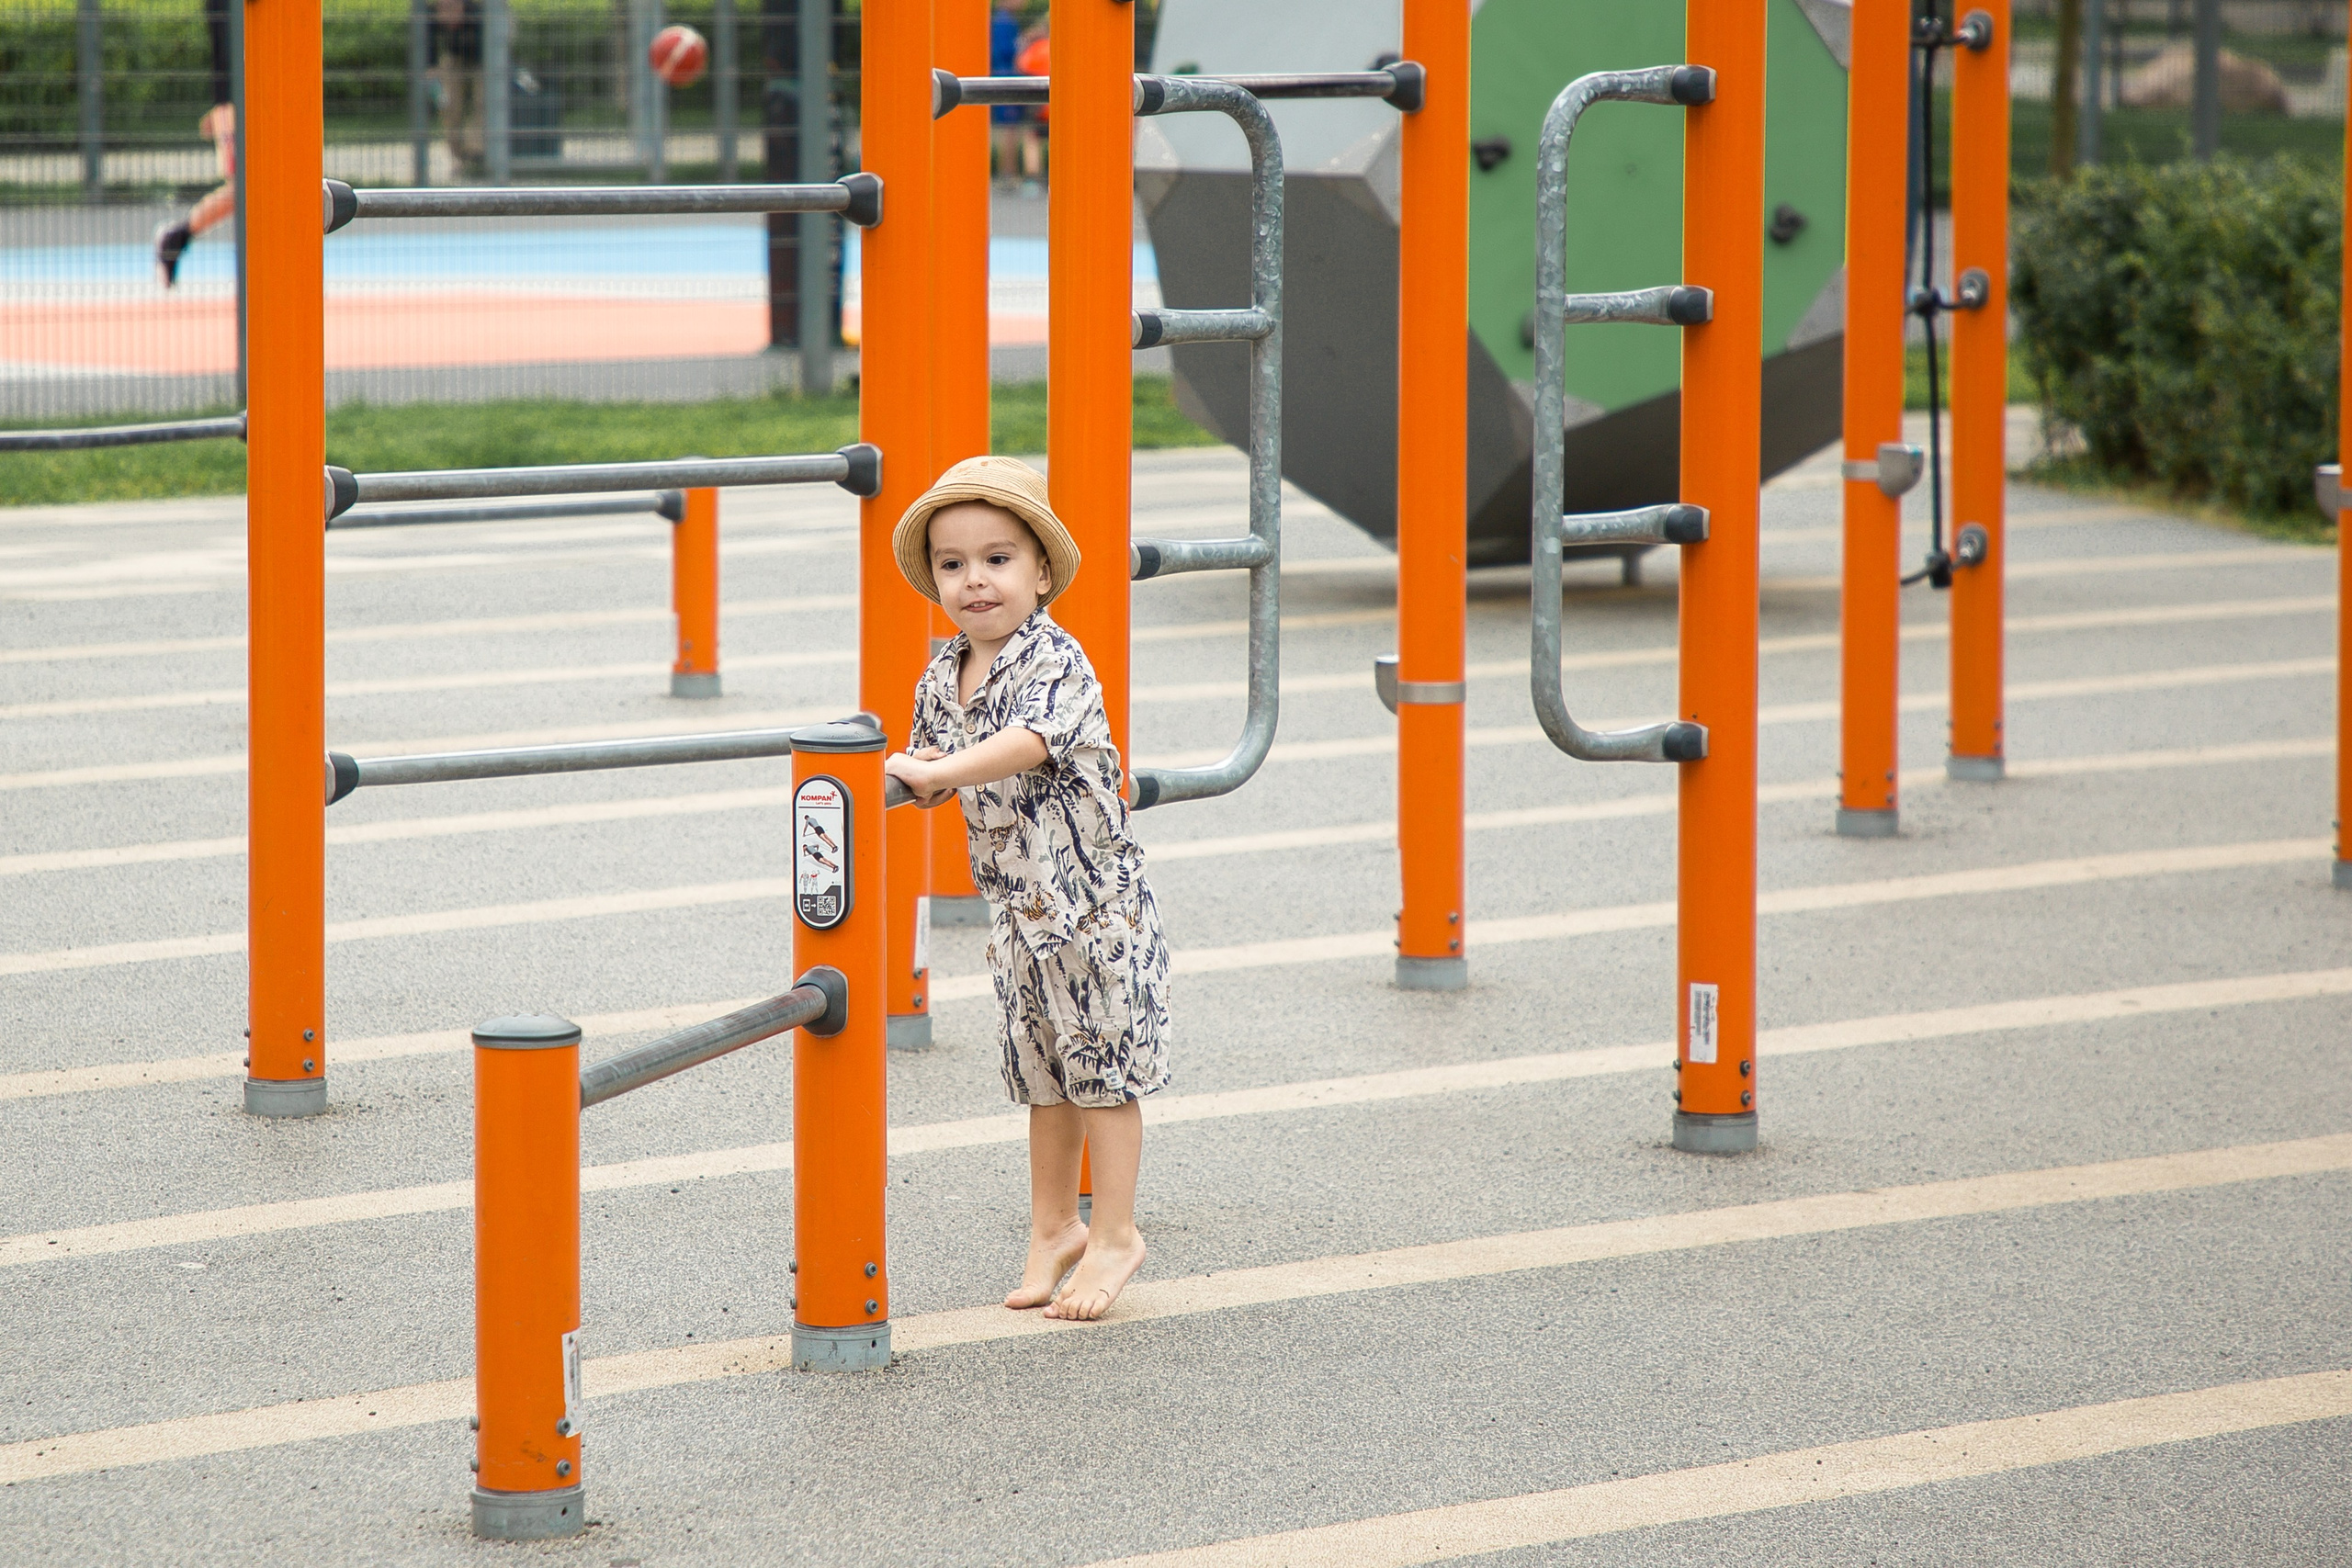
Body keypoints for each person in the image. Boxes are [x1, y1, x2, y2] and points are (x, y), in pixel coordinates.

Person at [883, 456, 1170, 1323]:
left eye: (999, 559)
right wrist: (913, 771)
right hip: (1018, 913)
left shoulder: (1057, 659)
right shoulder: (944, 672)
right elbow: (935, 763)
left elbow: (1025, 743)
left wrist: (935, 767)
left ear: (1041, 571)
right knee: (1043, 1073)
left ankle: (1114, 1229)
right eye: (953, 563)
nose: (975, 581)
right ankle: (1054, 1225)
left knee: (1102, 1073)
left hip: (1091, 909)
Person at [153, 0, 238, 288]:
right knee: (246, 187)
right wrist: (223, 106)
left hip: (259, 98)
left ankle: (176, 237)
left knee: (248, 189)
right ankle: (176, 237)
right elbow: (226, 55)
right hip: (237, 104)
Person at [429, 0, 486, 175]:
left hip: (483, 58)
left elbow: (488, 48)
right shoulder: (429, 14)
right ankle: (458, 156)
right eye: (442, 9)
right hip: (454, 56)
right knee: (449, 105)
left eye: (452, 8)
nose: (446, 15)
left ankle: (476, 153)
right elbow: (426, 45)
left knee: (483, 102)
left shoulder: (477, 13)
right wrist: (431, 68)